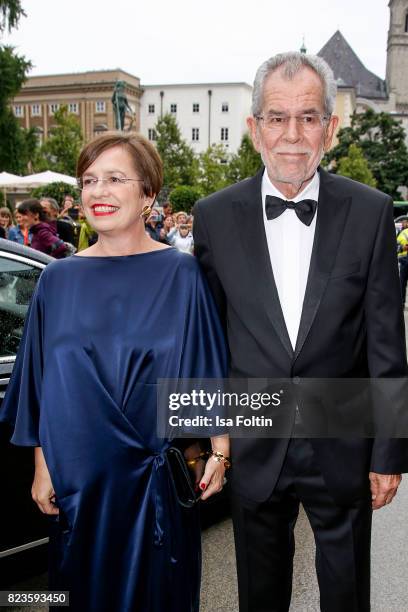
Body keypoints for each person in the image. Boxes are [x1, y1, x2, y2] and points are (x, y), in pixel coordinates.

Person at [193, 51, 408, 612]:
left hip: (342, 440)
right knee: (258, 597)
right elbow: (209, 339)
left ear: (330, 129)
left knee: (347, 597)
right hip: (253, 440)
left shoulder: (371, 212)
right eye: (277, 117)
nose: (292, 134)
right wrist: (210, 440)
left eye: (309, 117)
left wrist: (389, 452)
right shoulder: (213, 215)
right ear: (255, 127)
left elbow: (387, 343)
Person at [1, 131, 229, 612]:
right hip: (78, 485)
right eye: (88, 180)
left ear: (148, 194)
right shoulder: (56, 281)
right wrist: (42, 468)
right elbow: (38, 384)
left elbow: (206, 373)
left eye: (114, 179)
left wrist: (220, 454)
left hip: (153, 487)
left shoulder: (181, 275)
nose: (97, 192)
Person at [397, 220, 408, 305]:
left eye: (405, 222)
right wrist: (402, 248)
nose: (404, 224)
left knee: (402, 282)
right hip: (403, 260)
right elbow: (396, 245)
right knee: (402, 283)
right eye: (403, 222)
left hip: (403, 260)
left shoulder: (402, 233)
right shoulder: (401, 233)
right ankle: (401, 302)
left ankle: (401, 302)